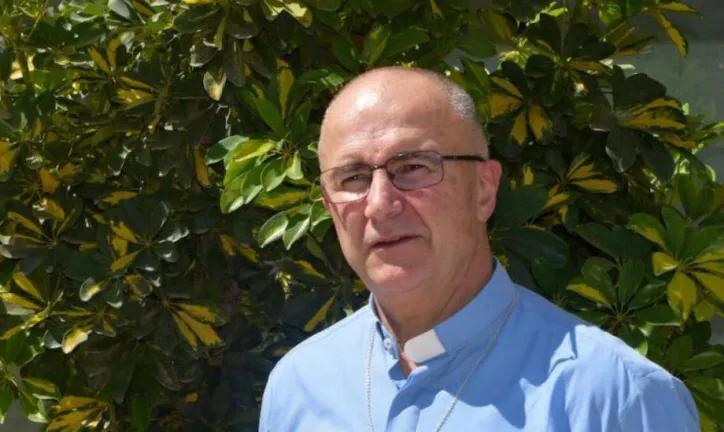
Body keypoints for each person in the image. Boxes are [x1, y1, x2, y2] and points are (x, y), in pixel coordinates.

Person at [258, 67, 699, 431]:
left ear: (485, 190)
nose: (379, 204)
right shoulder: (299, 384)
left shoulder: (614, 397)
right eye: (353, 178)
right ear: (329, 207)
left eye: (412, 167)